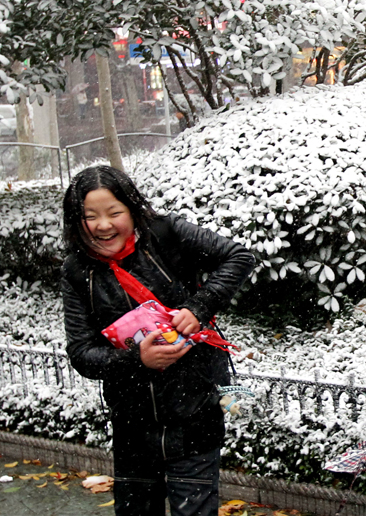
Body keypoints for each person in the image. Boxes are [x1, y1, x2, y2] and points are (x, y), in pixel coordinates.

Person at [62, 165, 255, 516]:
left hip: (194, 414)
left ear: (132, 210)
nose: (103, 225)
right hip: (132, 428)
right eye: (90, 216)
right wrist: (137, 360)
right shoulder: (78, 270)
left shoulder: (166, 234)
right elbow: (81, 352)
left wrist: (198, 307)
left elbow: (239, 257)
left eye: (114, 213)